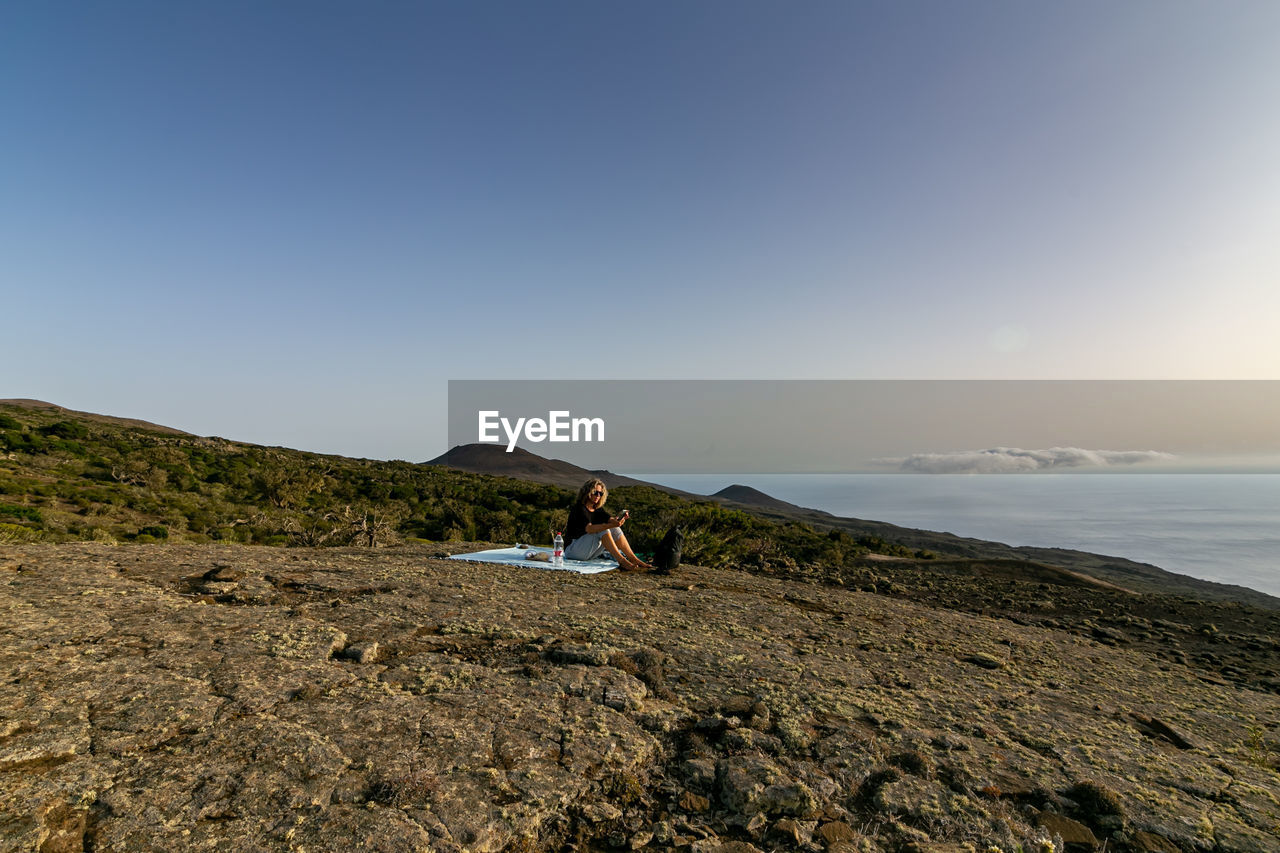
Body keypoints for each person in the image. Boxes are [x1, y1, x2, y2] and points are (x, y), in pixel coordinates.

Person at [563, 478, 653, 571]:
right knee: (603, 528)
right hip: (572, 550)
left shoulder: (597, 509)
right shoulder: (579, 508)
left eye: (600, 493)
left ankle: (633, 559)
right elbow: (589, 529)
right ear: (587, 492)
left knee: (614, 529)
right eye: (595, 492)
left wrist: (619, 520)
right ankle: (622, 562)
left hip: (586, 551)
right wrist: (611, 525)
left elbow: (610, 520)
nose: (598, 496)